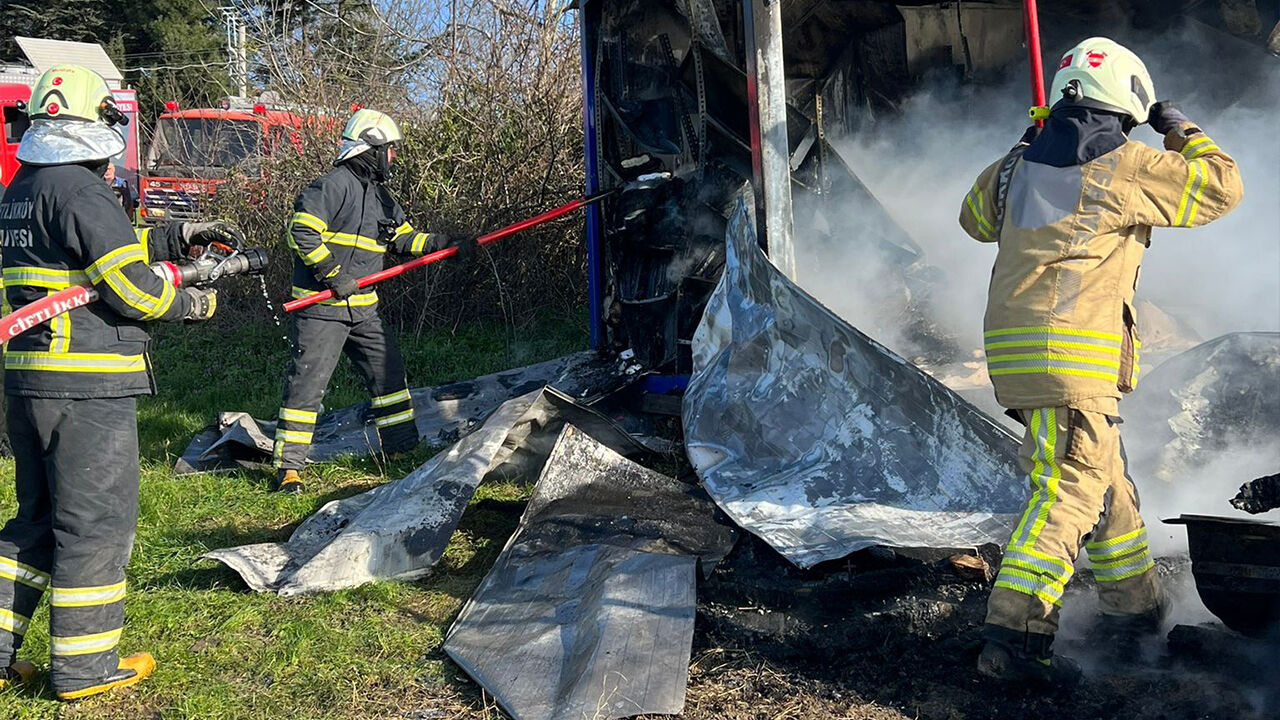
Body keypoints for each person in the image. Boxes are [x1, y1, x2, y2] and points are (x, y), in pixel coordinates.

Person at [959, 37, 1243, 684]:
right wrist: (1181, 129)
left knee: (1104, 483)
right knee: (1066, 492)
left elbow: (974, 219)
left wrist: (1020, 147)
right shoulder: (1130, 163)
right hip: (1073, 359)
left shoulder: (1016, 167)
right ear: (1129, 101)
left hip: (1017, 355)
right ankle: (1014, 633)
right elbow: (1223, 186)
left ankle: (1133, 611)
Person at [0, 65, 233, 700]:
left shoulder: (21, 187)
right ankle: (84, 669)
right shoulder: (83, 189)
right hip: (87, 387)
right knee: (95, 527)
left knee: (36, 523)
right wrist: (194, 303)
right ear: (91, 123)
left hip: (27, 382)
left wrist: (175, 235)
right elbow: (130, 285)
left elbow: (87, 253)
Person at [272, 108, 472, 493]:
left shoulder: (382, 198)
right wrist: (334, 276)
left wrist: (443, 245)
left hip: (363, 309)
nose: (393, 157)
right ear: (373, 146)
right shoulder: (332, 186)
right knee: (307, 385)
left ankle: (400, 449)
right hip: (321, 309)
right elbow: (301, 233)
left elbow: (403, 239)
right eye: (390, 150)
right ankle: (290, 469)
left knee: (389, 377)